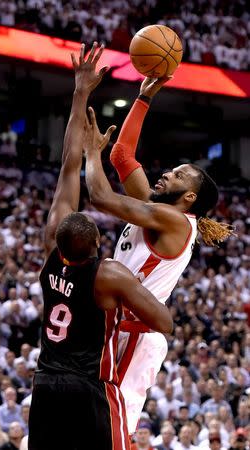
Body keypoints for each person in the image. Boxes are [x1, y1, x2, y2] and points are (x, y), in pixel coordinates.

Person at [28, 43, 172, 450]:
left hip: (45, 383)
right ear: (96, 243)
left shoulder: (51, 252)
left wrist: (80, 93)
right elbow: (164, 322)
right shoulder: (108, 274)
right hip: (86, 385)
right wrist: (127, 313)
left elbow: (66, 164)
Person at [84, 76, 234, 431]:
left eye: (179, 175)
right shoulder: (155, 208)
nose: (167, 173)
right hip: (116, 326)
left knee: (111, 424)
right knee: (89, 421)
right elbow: (122, 156)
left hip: (136, 333)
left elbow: (100, 197)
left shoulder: (176, 221)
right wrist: (144, 97)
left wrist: (91, 153)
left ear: (190, 198)